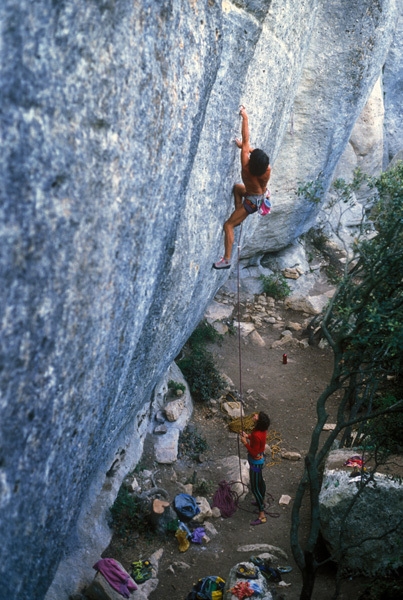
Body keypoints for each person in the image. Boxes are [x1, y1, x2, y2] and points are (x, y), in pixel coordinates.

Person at [213, 106, 271, 270]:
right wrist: (248, 149)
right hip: (259, 196)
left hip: (251, 203)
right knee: (238, 188)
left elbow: (246, 140)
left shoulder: (246, 167)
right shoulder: (267, 170)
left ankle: (226, 259)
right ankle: (238, 213)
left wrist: (244, 116)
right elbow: (248, 147)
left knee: (228, 226)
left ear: (251, 161)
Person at [240, 411, 271, 526]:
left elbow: (253, 452)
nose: (254, 415)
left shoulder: (258, 435)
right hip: (259, 461)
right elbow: (255, 438)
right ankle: (261, 501)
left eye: (257, 416)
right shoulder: (260, 431)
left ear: (259, 421)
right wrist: (247, 436)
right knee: (260, 482)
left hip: (255, 463)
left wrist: (245, 443)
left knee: (255, 487)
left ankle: (261, 514)